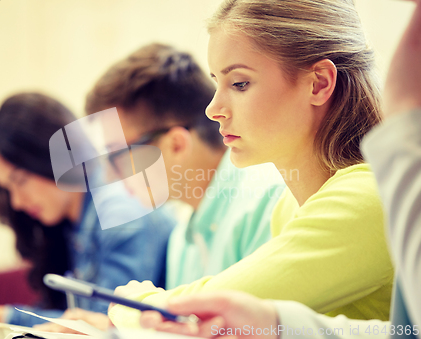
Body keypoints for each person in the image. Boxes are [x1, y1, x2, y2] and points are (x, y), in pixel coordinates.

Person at [137, 1, 421, 337]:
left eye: (239, 83)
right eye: (217, 82)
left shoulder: (365, 197)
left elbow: (207, 306)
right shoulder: (289, 204)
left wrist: (123, 302)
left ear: (318, 84)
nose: (213, 109)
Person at [34, 42, 284, 333]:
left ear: (175, 144)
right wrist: (114, 331)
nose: (111, 176)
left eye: (117, 155)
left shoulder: (268, 202)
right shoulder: (182, 236)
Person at [0, 93, 175, 327]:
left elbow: (103, 324)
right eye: (7, 189)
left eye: (20, 181)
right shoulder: (71, 223)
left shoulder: (119, 210)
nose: (17, 203)